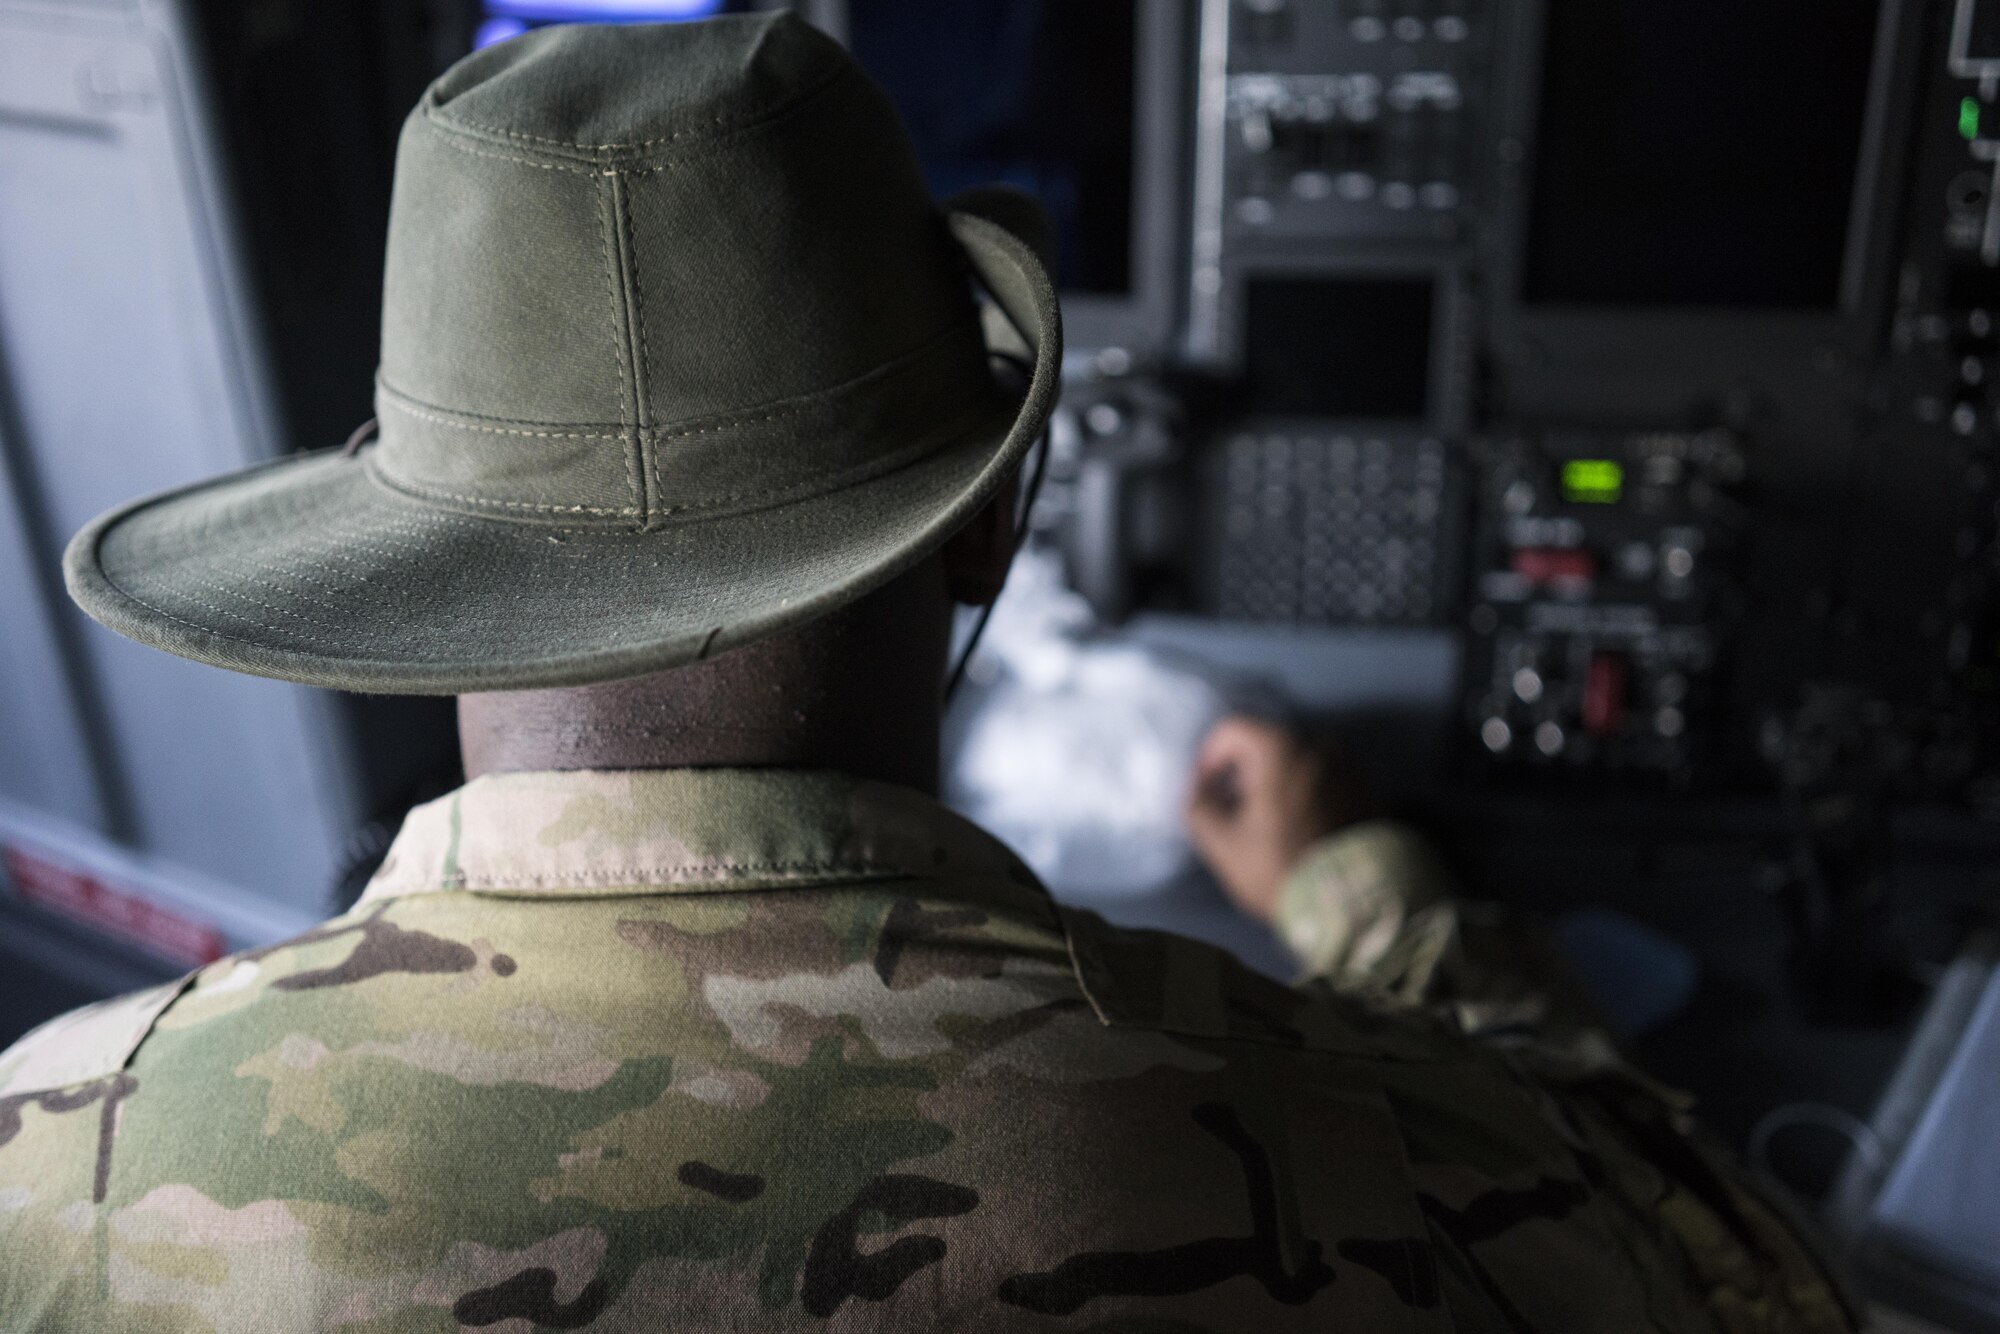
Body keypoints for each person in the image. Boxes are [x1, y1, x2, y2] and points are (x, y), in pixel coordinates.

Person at [0, 14, 1858, 1330]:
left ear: (425, 583)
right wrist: (1361, 890)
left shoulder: (58, 1153)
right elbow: (1742, 1264)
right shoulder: (1377, 1151)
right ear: (984, 528)